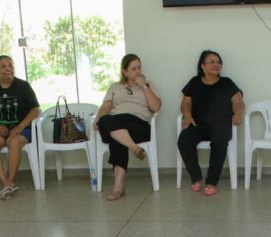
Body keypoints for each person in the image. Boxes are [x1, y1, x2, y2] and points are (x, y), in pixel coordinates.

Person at [93, 54, 163, 202]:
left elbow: (156, 107)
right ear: (125, 72)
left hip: (139, 125)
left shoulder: (149, 85)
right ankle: (133, 147)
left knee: (115, 136)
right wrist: (98, 118)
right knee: (106, 121)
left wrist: (143, 86)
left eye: (139, 67)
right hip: (117, 122)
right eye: (133, 69)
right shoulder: (115, 87)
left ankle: (118, 189)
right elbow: (105, 107)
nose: (138, 71)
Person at [177, 50, 245, 197]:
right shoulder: (194, 82)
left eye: (218, 62)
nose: (216, 64)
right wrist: (187, 115)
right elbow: (185, 103)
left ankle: (211, 182)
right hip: (198, 123)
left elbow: (238, 102)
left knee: (220, 141)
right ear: (203, 66)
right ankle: (196, 177)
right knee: (184, 140)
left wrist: (238, 113)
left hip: (221, 123)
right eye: (211, 62)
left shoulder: (227, 83)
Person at [0, 55, 41, 200]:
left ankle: (9, 181)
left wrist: (20, 126)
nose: (8, 69)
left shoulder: (23, 86)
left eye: (10, 65)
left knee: (14, 142)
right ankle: (5, 182)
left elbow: (35, 110)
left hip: (20, 128)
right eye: (3, 66)